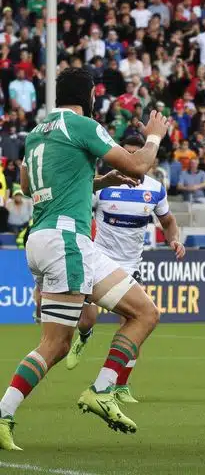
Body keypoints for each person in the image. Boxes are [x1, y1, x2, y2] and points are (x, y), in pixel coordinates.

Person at [1, 67, 170, 450]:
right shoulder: (82, 124)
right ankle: (100, 390)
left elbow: (30, 186)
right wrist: (154, 137)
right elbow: (140, 166)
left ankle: (11, 412)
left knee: (65, 341)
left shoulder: (35, 134)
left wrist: (100, 181)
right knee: (74, 337)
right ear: (88, 95)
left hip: (43, 238)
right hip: (67, 240)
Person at [62, 134, 186, 406]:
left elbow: (168, 221)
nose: (130, 159)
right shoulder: (105, 185)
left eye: (135, 153)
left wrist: (174, 239)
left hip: (131, 265)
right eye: (125, 153)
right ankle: (84, 336)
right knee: (86, 320)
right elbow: (79, 210)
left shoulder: (155, 188)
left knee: (135, 325)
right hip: (98, 260)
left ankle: (120, 386)